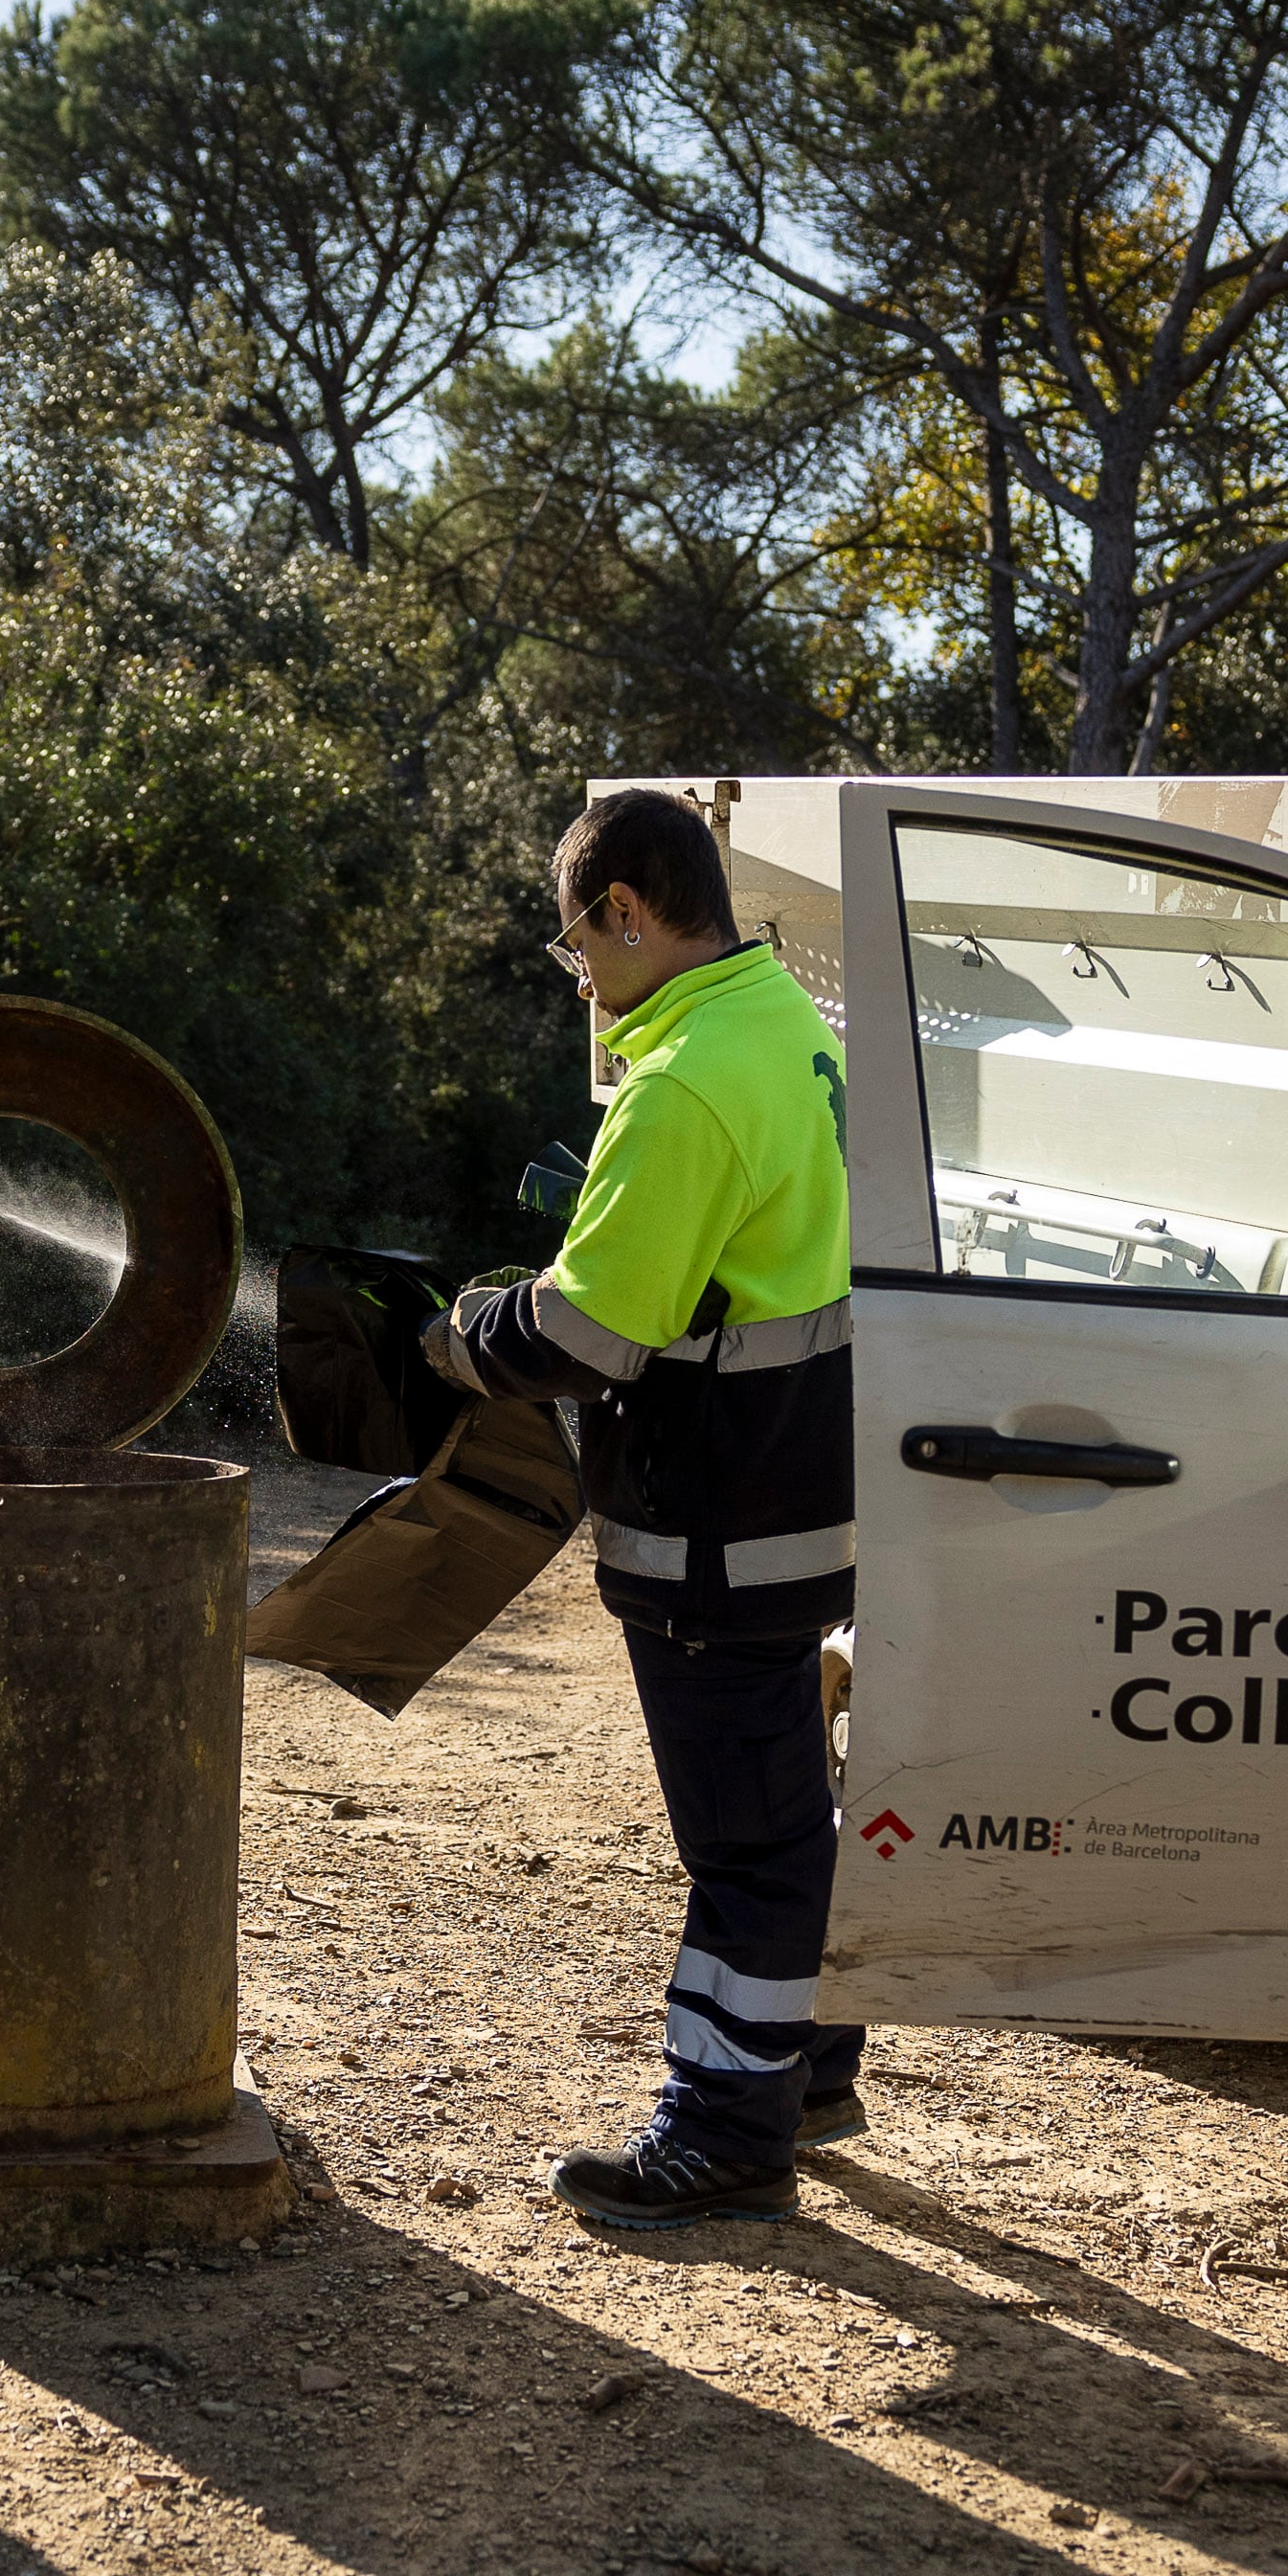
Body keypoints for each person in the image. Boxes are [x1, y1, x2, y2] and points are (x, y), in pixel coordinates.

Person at [426, 789, 858, 2227]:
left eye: (575, 950)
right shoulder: (788, 1030)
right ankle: (805, 2071)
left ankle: (727, 2131)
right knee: (790, 1813)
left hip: (711, 1525)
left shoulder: (679, 1084)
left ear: (624, 909)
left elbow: (596, 1331)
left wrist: (469, 1331)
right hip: (793, 1499)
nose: (585, 983)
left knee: (749, 1841)